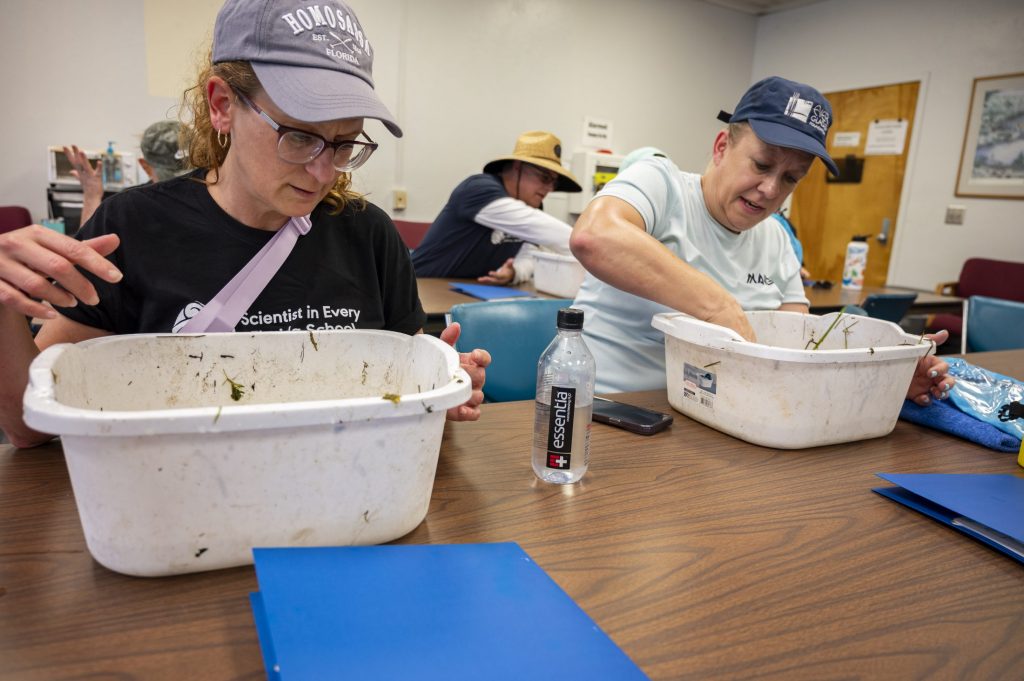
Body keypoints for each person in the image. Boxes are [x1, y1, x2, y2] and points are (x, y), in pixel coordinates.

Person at [0, 0, 488, 449]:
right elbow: (30, 425)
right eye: (300, 137)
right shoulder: (131, 229)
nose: (324, 173)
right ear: (221, 105)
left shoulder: (368, 235)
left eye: (345, 144)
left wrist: (439, 390)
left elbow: (401, 395)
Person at [569, 76, 952, 405]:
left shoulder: (776, 239)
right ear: (722, 147)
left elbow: (794, 356)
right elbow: (594, 236)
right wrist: (719, 307)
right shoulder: (662, 185)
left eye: (790, 178)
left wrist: (887, 379)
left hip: (717, 416)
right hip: (606, 410)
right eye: (762, 165)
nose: (770, 189)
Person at [411, 131, 582, 285]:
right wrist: (588, 243)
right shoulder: (479, 190)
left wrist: (515, 272)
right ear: (518, 167)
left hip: (471, 290)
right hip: (422, 286)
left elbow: (529, 254)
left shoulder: (531, 207)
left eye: (554, 183)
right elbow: (556, 235)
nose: (550, 189)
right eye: (545, 178)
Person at [62, 120, 189, 226]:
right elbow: (89, 245)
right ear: (145, 167)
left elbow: (88, 244)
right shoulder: (128, 207)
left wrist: (92, 196)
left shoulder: (126, 205)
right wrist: (92, 196)